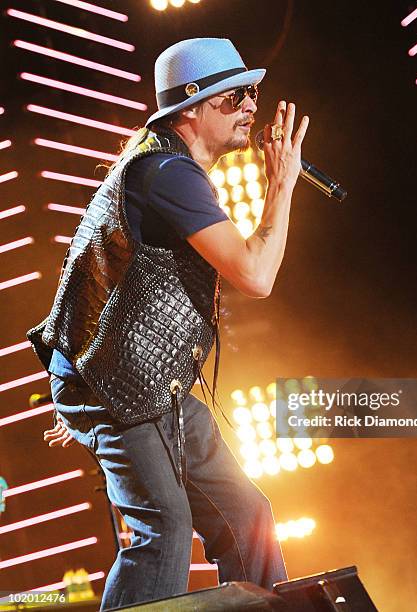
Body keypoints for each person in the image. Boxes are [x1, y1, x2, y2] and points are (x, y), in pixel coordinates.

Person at [27, 37, 309, 609]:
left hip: (149, 385)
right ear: (193, 106)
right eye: (235, 97)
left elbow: (92, 275)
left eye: (252, 92)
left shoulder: (165, 169)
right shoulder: (165, 174)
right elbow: (256, 276)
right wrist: (281, 185)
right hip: (120, 385)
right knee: (166, 528)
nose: (252, 106)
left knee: (247, 514)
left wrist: (75, 383)